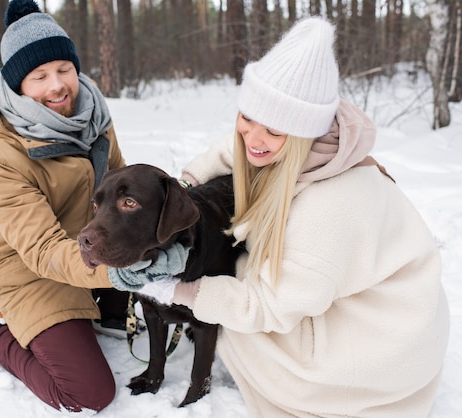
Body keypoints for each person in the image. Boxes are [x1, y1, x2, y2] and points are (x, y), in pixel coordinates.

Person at [108, 17, 450, 417]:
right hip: (398, 314)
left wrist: (174, 291)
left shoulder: (330, 206)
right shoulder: (310, 142)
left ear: (304, 131)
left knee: (229, 307)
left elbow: (268, 307)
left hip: (378, 346)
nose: (254, 138)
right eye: (247, 117)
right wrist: (182, 189)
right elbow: (233, 151)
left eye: (273, 129)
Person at [0, 0, 131, 413]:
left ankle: (101, 313)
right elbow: (43, 249)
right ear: (16, 84)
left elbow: (120, 188)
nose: (57, 85)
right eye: (39, 76)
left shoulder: (93, 115)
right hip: (29, 270)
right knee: (88, 394)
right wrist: (123, 268)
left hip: (87, 250)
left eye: (64, 69)